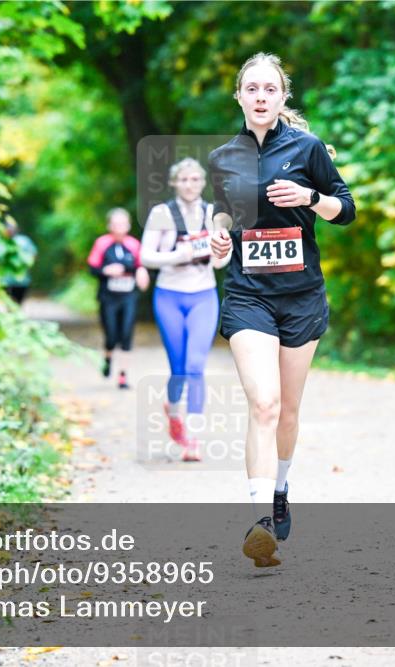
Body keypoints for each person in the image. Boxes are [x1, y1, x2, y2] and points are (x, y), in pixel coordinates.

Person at [208, 53, 355, 567]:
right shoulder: (224, 157)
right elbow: (222, 211)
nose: (261, 97)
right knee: (264, 405)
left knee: (288, 409)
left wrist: (309, 197)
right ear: (239, 96)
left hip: (300, 296)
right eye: (252, 88)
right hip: (248, 293)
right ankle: (261, 524)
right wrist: (218, 235)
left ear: (282, 96)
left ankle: (280, 490)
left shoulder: (308, 148)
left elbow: (346, 209)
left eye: (270, 89)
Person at [140, 158, 232, 462]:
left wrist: (219, 254)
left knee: (195, 365)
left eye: (195, 179)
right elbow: (146, 256)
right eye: (184, 179)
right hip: (169, 295)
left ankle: (193, 437)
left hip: (203, 295)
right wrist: (178, 255)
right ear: (174, 183)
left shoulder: (213, 213)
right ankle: (172, 408)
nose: (189, 185)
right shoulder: (162, 213)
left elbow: (222, 258)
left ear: (203, 183)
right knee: (178, 368)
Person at [87, 208, 150, 389]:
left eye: (122, 223)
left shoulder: (134, 245)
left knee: (126, 334)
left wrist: (141, 273)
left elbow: (141, 267)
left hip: (128, 296)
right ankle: (107, 359)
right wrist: (106, 271)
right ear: (109, 226)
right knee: (111, 336)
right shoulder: (102, 243)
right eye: (115, 224)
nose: (119, 227)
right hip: (108, 298)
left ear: (128, 225)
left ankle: (123, 376)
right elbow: (92, 269)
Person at [2, 221, 37, 305]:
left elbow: (33, 256)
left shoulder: (24, 241)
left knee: (14, 304)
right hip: (7, 280)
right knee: (12, 304)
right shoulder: (2, 241)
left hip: (20, 280)